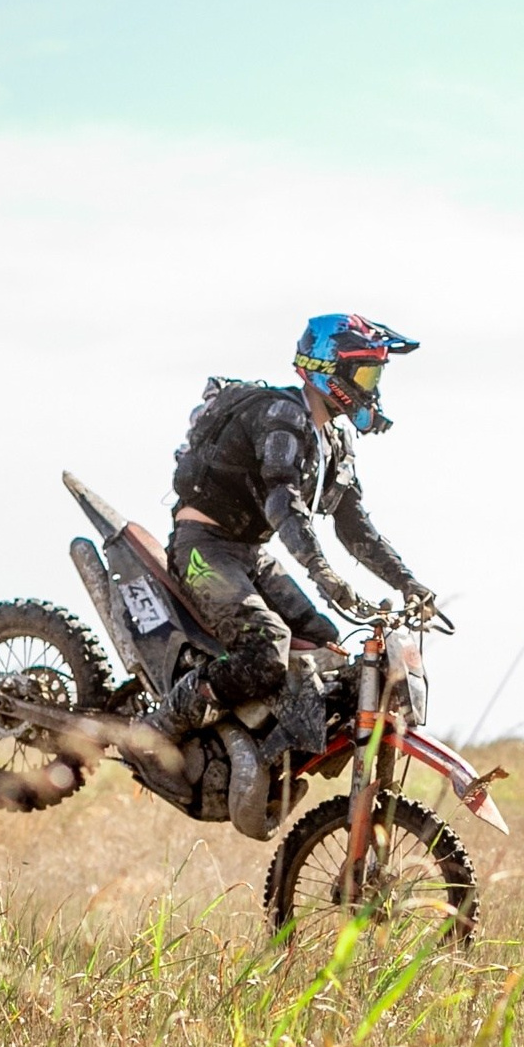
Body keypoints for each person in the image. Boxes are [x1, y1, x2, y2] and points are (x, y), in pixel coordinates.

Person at [146, 313, 441, 737]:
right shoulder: (281, 416)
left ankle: (258, 743)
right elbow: (282, 502)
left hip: (251, 554)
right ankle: (158, 727)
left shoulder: (334, 442)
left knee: (327, 642)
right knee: (266, 646)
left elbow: (355, 526)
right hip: (203, 547)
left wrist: (407, 583)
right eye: (365, 373)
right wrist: (322, 572)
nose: (371, 388)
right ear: (329, 369)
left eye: (375, 375)